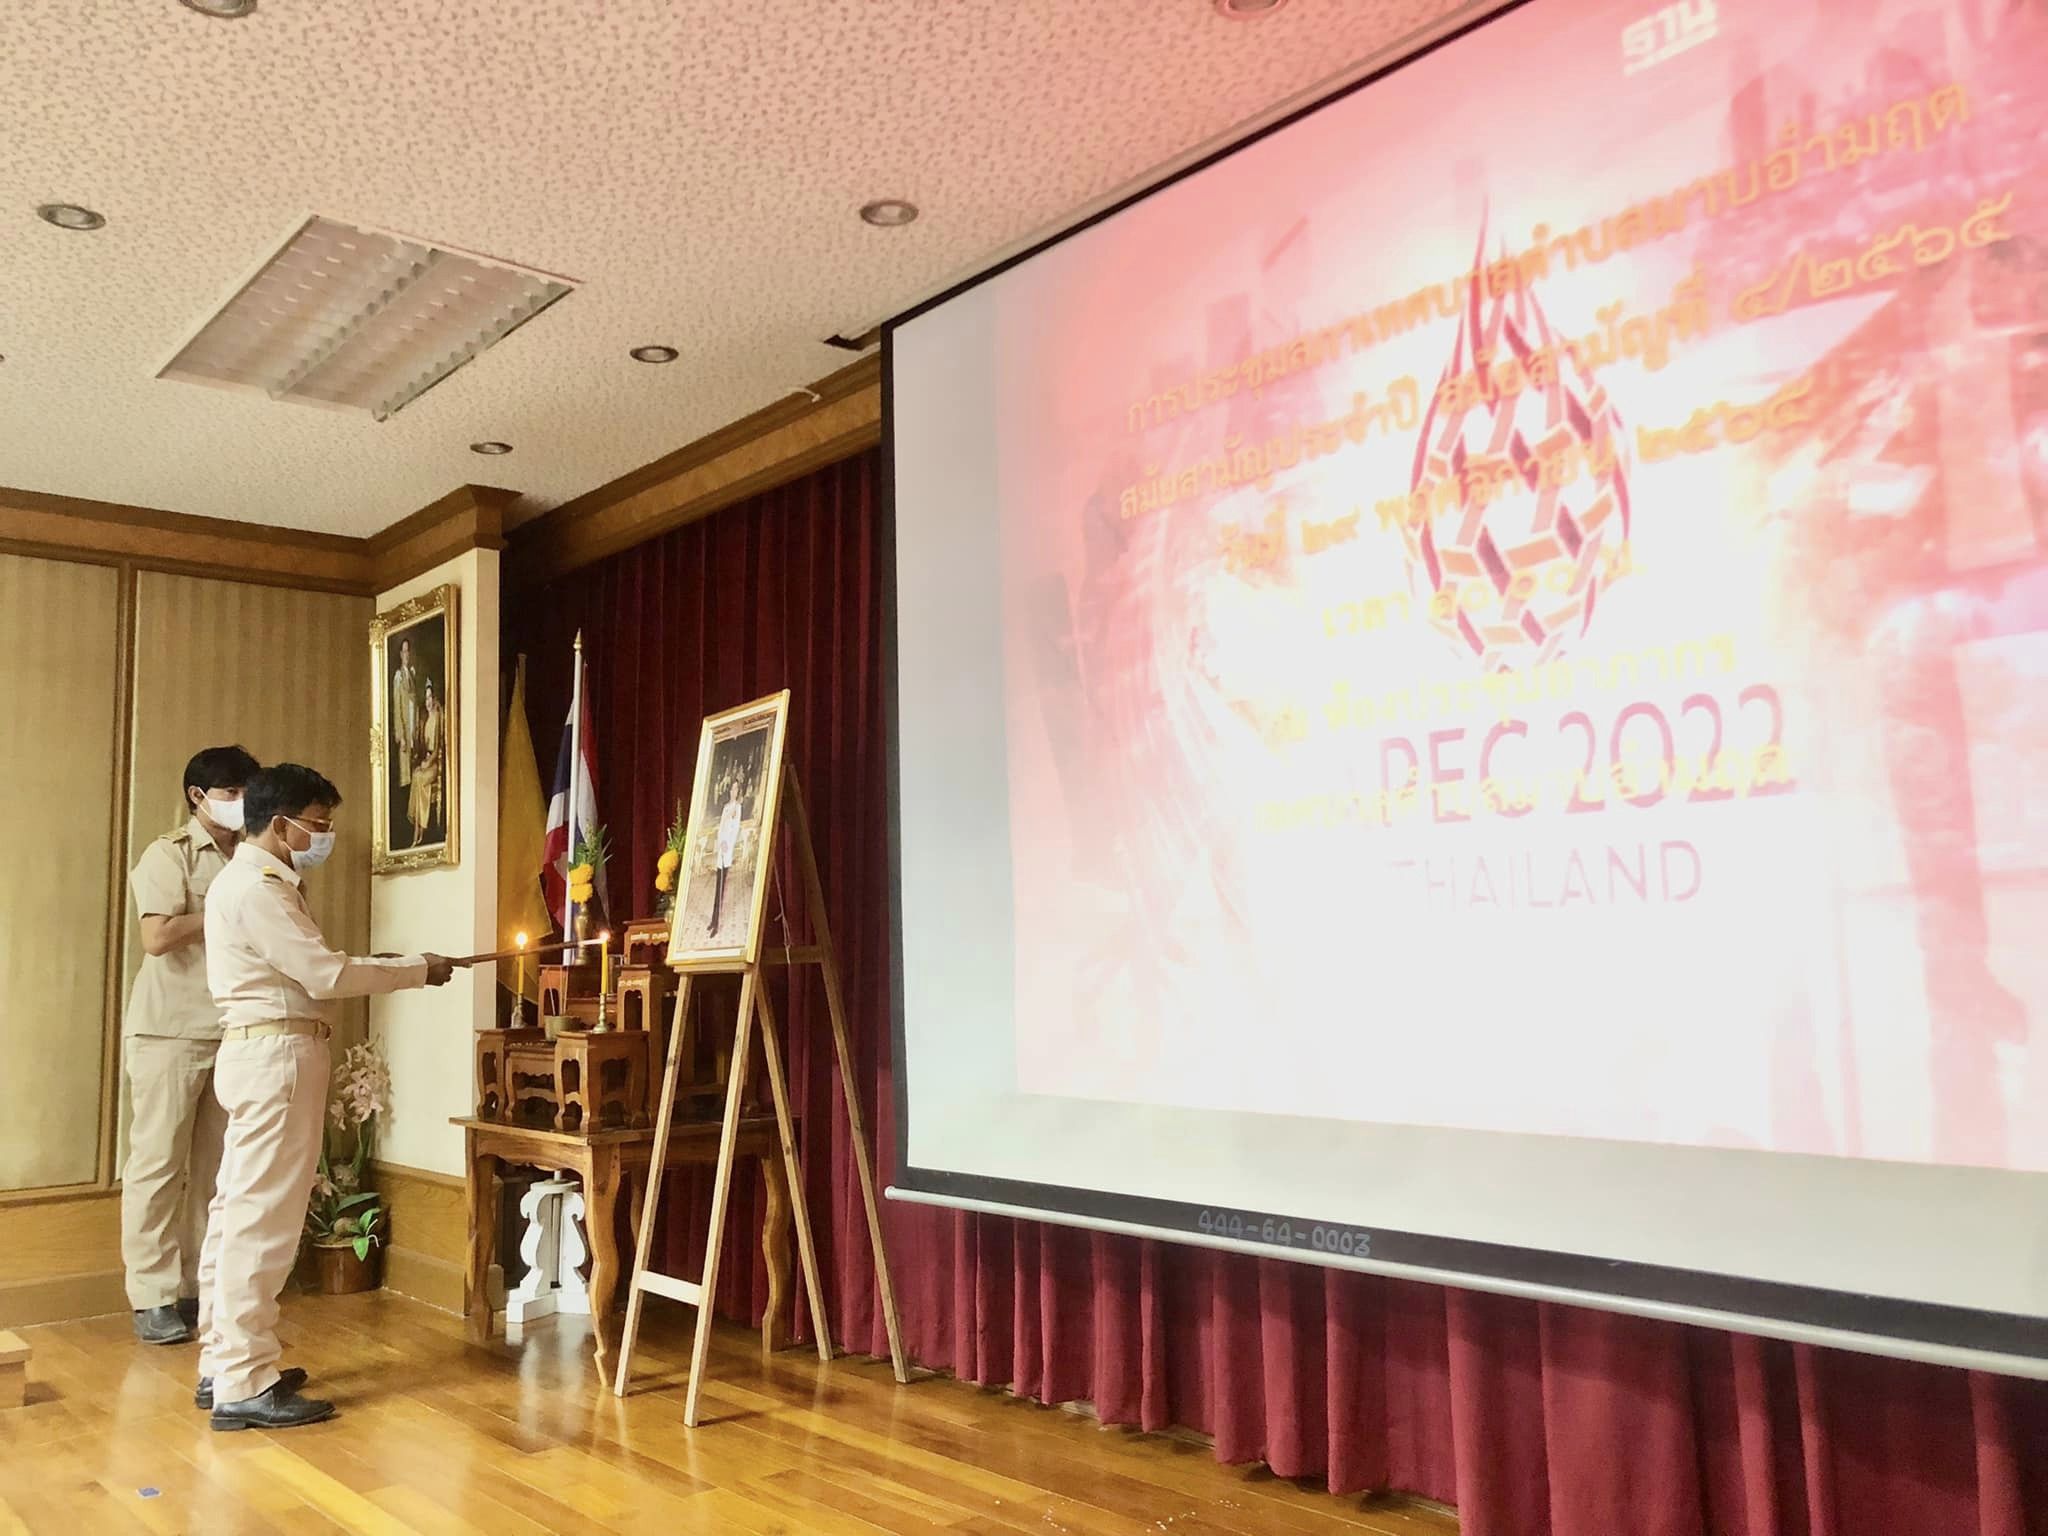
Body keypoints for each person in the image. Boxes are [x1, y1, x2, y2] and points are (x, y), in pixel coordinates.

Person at [198, 763, 453, 1430]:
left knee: (236, 1210)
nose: (324, 836)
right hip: (276, 1057)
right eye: (318, 824)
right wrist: (418, 972)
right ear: (279, 823)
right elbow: (326, 971)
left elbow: (315, 964)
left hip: (259, 1052)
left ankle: (223, 1362)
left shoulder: (248, 880)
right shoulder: (259, 887)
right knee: (264, 1218)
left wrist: (407, 966)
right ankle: (244, 1382)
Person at [120, 745, 261, 1346]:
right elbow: (156, 937)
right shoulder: (167, 854)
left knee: (217, 1172)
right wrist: (224, 905)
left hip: (235, 1029)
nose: (241, 803)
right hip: (168, 1032)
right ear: (198, 797)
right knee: (157, 1164)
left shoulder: (256, 856)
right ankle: (151, 1295)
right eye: (230, 792)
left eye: (246, 792)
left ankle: (200, 1285)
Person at [408, 677, 443, 845]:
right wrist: (421, 762)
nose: (428, 701)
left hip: (435, 764)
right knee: (416, 776)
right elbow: (424, 748)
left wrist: (428, 763)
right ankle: (417, 828)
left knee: (421, 779)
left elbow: (437, 749)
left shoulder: (437, 718)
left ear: (434, 698)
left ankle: (421, 828)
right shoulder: (426, 719)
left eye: (430, 697)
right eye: (426, 698)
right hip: (426, 760)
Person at [711, 778, 743, 933]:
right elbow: (721, 826)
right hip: (721, 847)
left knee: (722, 886)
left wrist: (727, 844)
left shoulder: (738, 808)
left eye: (737, 789)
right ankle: (713, 919)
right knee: (717, 886)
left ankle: (717, 923)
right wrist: (719, 842)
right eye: (732, 788)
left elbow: (735, 829)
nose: (734, 791)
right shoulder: (725, 807)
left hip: (727, 848)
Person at [390, 636, 421, 796]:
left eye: (408, 651)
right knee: (405, 774)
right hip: (404, 727)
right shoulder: (398, 676)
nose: (407, 654)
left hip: (412, 726)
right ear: (401, 654)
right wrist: (401, 735)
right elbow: (397, 707)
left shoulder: (412, 674)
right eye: (404, 651)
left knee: (414, 764)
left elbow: (414, 704)